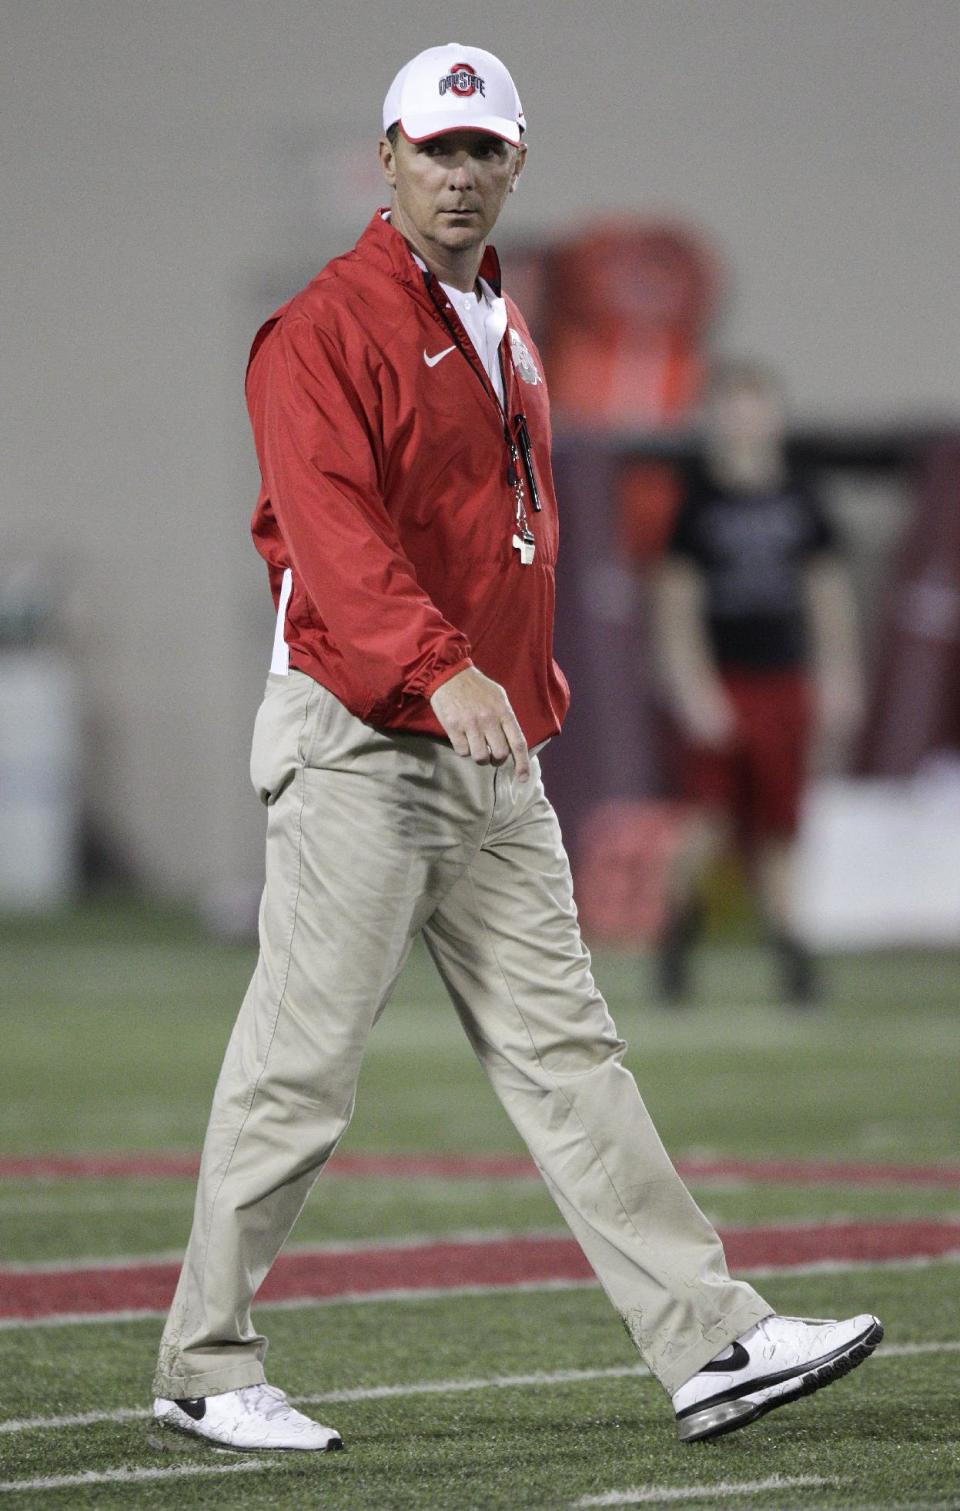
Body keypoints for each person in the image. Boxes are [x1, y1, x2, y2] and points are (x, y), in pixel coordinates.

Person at [152, 44, 881, 1454]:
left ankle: (710, 1335)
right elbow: (327, 535)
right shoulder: (325, 326)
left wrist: (510, 688)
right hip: (366, 735)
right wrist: (440, 665)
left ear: (519, 163)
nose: (461, 173)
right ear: (388, 158)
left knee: (572, 1050)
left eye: (485, 150)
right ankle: (203, 1358)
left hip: (487, 749)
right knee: (300, 1066)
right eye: (438, 148)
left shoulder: (500, 318)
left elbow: (505, 539)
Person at [653, 360, 863, 1006]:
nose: (746, 418)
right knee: (709, 822)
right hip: (726, 680)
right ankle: (675, 939)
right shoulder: (697, 502)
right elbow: (675, 605)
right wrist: (692, 687)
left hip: (784, 681)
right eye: (733, 405)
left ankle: (794, 957)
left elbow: (828, 594)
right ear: (716, 416)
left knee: (780, 827)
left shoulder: (802, 498)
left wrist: (840, 676)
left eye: (756, 404)